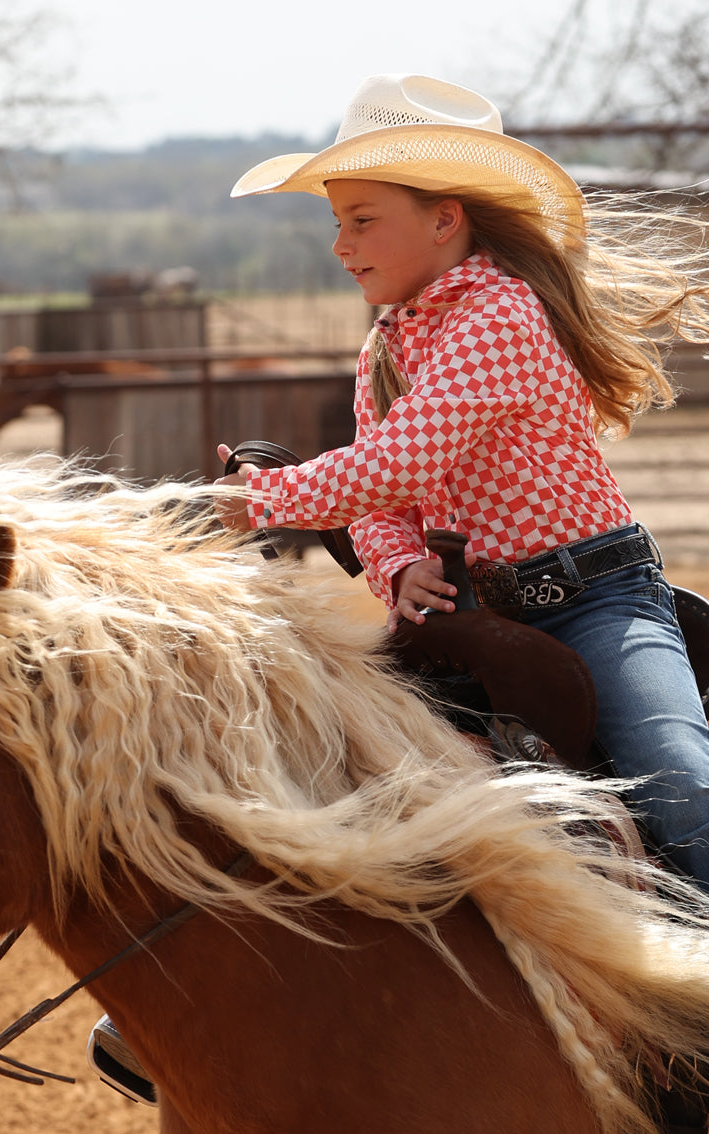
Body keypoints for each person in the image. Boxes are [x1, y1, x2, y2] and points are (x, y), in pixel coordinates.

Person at [213, 72, 709, 894]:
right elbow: (384, 500)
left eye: (363, 220)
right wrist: (399, 565)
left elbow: (394, 464)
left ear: (444, 220)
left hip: (594, 603)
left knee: (681, 783)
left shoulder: (501, 318)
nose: (341, 246)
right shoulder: (387, 346)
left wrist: (262, 498)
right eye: (338, 223)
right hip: (464, 613)